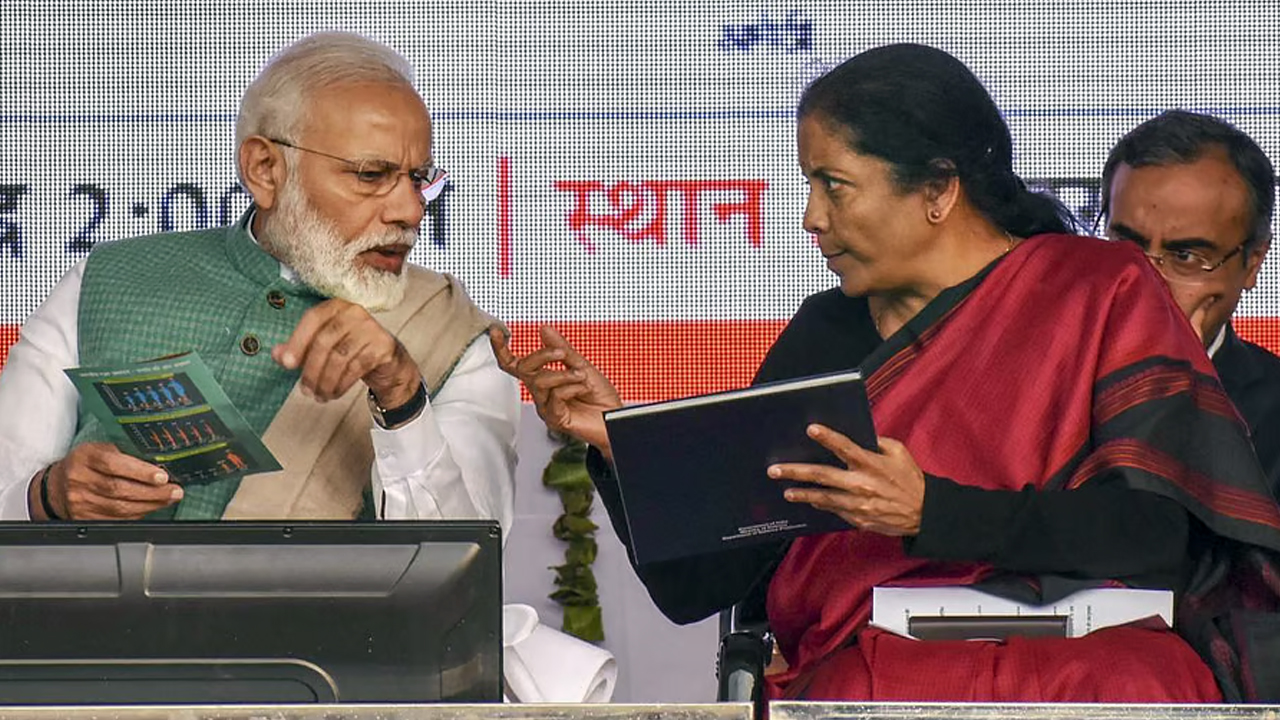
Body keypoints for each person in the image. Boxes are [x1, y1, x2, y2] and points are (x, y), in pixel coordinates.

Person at [493, 44, 1280, 702]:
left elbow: (1154, 540)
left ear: (937, 190)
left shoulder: (1096, 288)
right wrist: (618, 446)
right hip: (872, 680)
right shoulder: (825, 334)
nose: (810, 216)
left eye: (832, 185)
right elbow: (704, 583)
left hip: (1094, 673)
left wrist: (929, 511)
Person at [0, 32, 518, 527]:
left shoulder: (456, 334)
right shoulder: (104, 281)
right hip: (95, 617)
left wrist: (402, 394)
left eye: (419, 178)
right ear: (265, 169)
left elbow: (465, 560)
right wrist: (47, 496)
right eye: (370, 175)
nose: (410, 210)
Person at [1101, 110, 1280, 494]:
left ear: (1252, 264)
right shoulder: (1043, 387)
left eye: (1186, 257)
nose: (1145, 282)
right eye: (1127, 246)